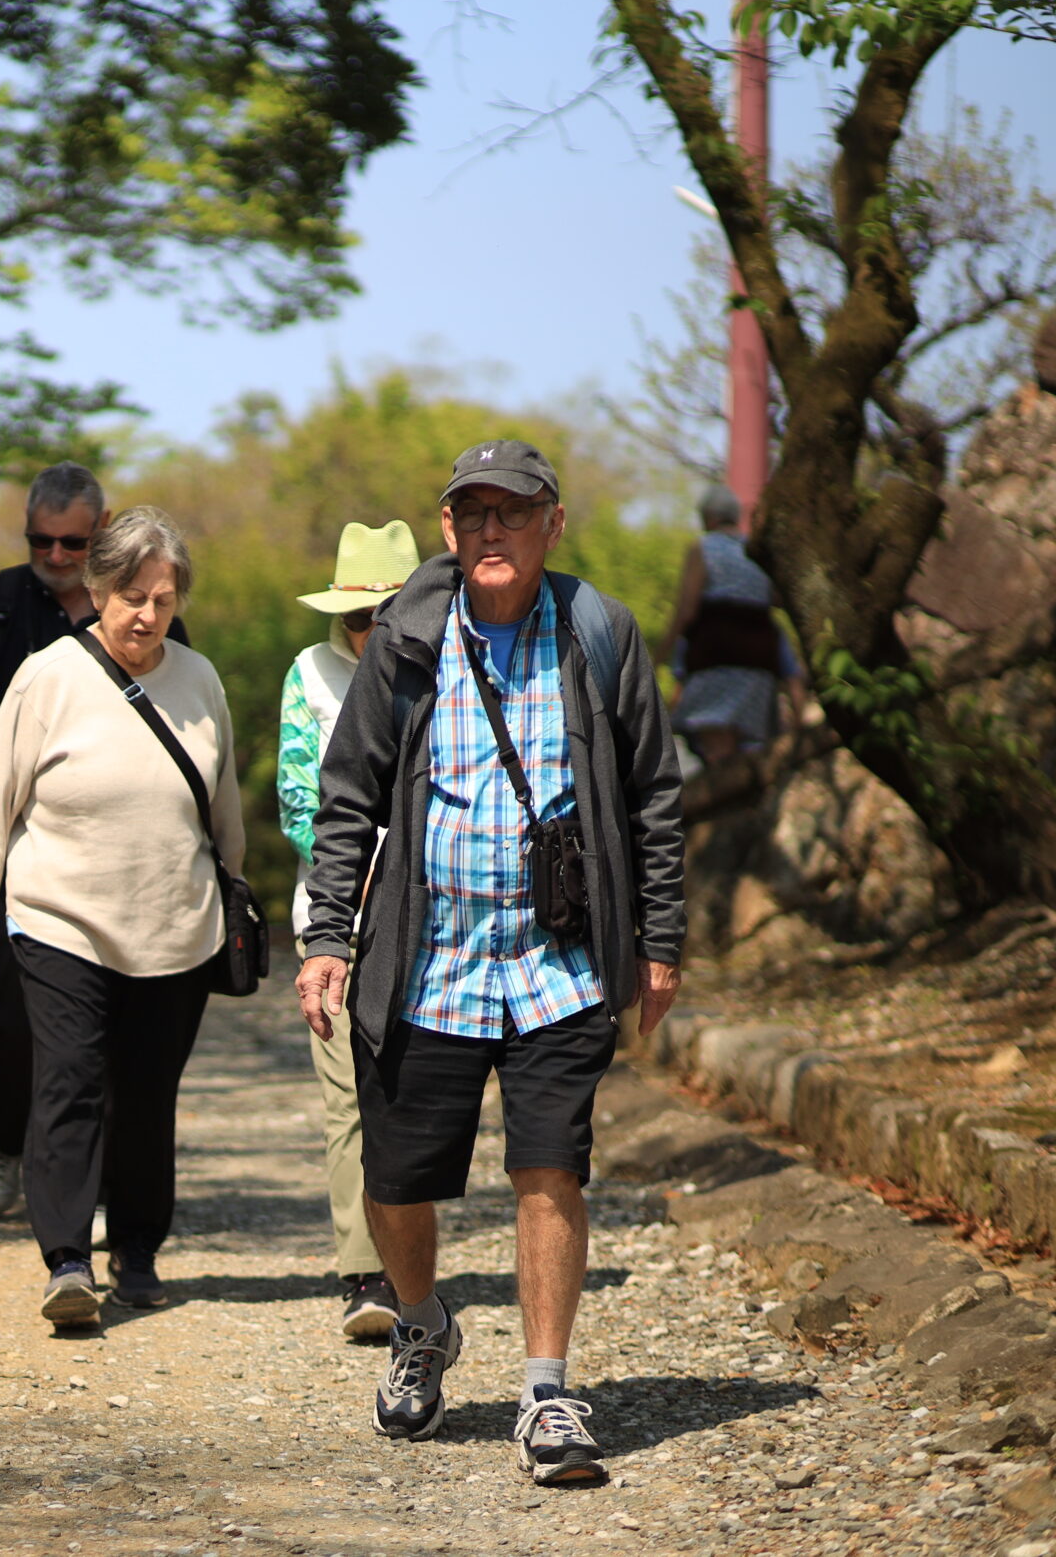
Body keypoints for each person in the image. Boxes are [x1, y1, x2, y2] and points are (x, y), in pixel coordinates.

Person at [294, 439, 684, 1486]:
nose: (490, 532)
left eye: (511, 513)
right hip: (428, 962)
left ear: (551, 524)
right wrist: (329, 936)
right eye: (472, 516)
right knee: (396, 1179)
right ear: (448, 529)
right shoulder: (408, 642)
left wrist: (659, 940)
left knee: (548, 1168)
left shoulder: (597, 633)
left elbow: (652, 794)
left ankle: (547, 1392)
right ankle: (423, 1327)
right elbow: (348, 798)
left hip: (557, 961)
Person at [0, 507, 241, 1324]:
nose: (145, 614)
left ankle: (137, 1247)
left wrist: (236, 899)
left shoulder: (200, 679)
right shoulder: (47, 675)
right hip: (59, 919)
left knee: (146, 1096)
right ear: (97, 589)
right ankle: (68, 1257)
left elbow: (224, 814)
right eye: (130, 594)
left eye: (163, 597)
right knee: (70, 1078)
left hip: (175, 925)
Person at [0, 463, 188, 1223]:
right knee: (10, 1024)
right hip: (18, 859)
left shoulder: (153, 613)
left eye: (73, 542)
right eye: (42, 539)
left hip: (123, 867)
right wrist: (16, 724)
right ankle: (7, 1138)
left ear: (100, 538)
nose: (56, 555)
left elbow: (188, 726)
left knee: (101, 1036)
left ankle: (91, 1187)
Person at [277, 519, 420, 1342]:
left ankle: (412, 1265)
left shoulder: (447, 667)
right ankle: (364, 1272)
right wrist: (358, 876)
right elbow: (301, 799)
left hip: (434, 918)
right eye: (360, 617)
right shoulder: (311, 673)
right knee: (348, 1101)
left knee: (411, 1095)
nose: (371, 632)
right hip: (333, 919)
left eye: (388, 614)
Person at [661, 485, 804, 770]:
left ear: (708, 519)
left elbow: (687, 609)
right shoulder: (756, 551)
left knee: (713, 747)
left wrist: (660, 653)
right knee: (743, 753)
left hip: (715, 655)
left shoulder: (703, 548)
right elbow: (776, 598)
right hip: (759, 660)